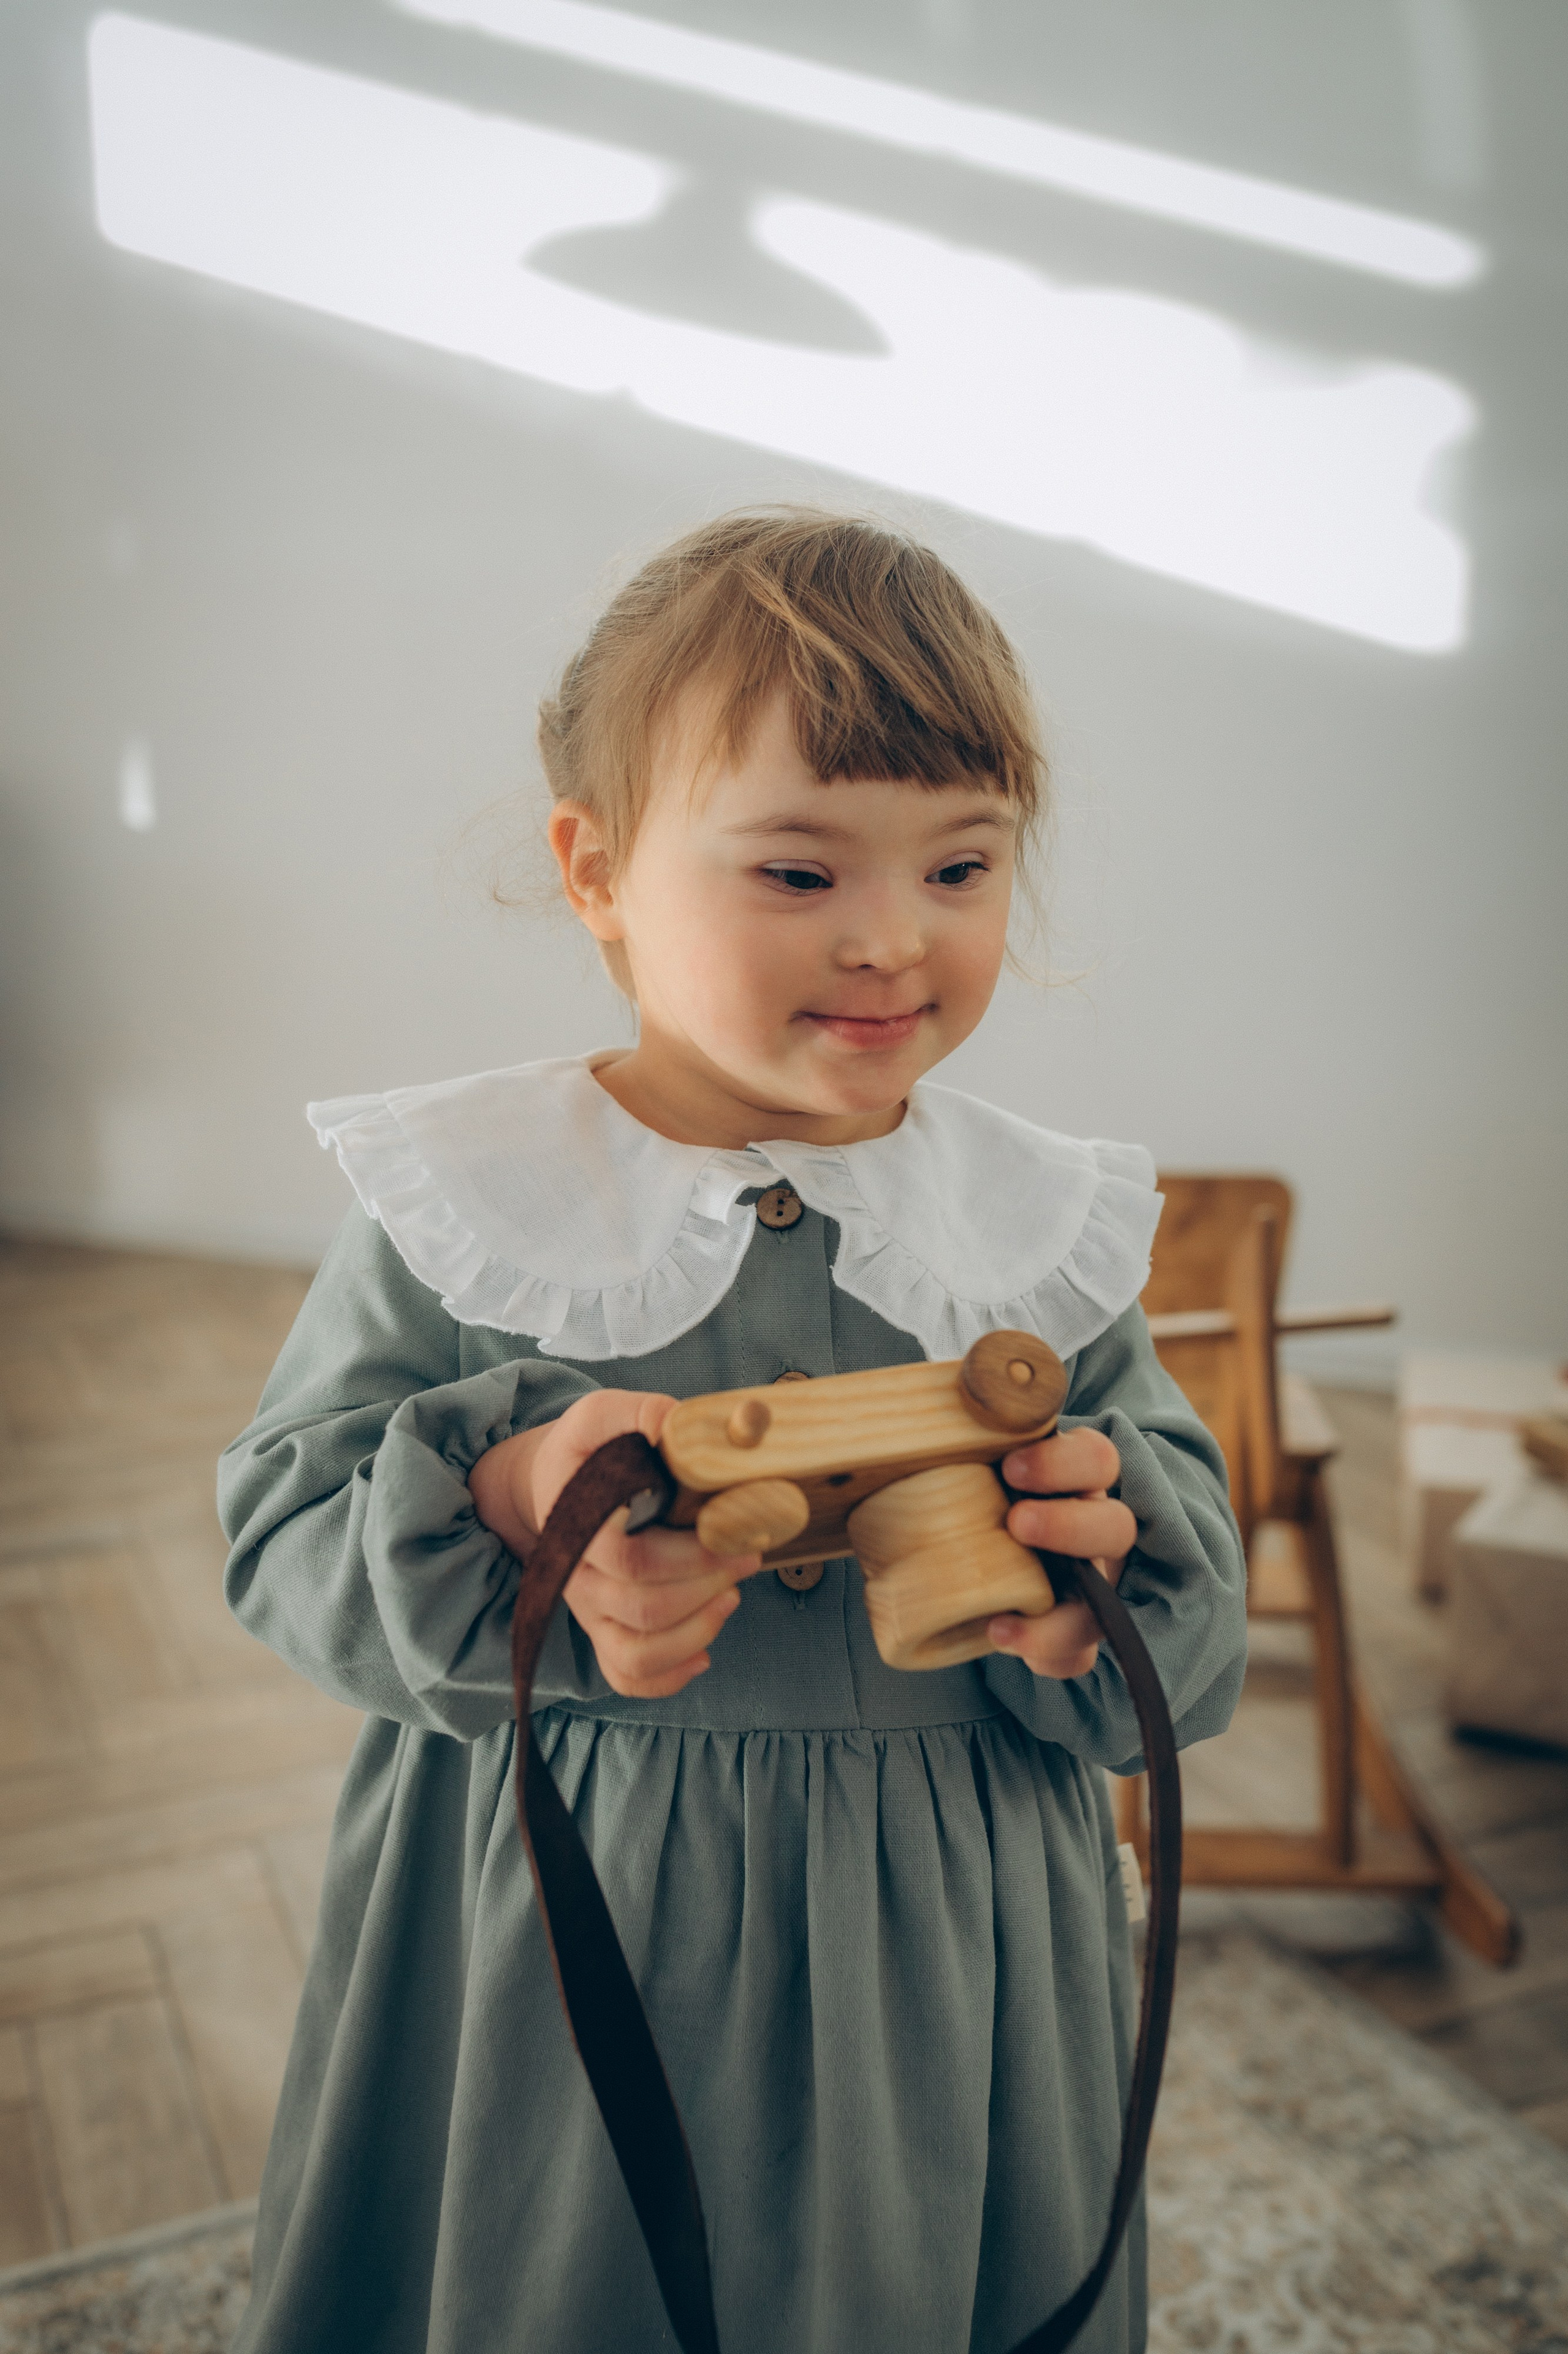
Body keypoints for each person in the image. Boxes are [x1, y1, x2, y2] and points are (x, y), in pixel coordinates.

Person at [218, 510, 1247, 2354]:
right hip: (574, 1919)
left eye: (962, 866)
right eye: (795, 872)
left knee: (921, 2266)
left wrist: (1097, 1586)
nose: (889, 938)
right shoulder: (476, 1199)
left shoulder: (1035, 1225)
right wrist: (512, 1499)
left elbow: (1177, 1558)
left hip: (947, 1923)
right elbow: (282, 1525)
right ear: (597, 872)